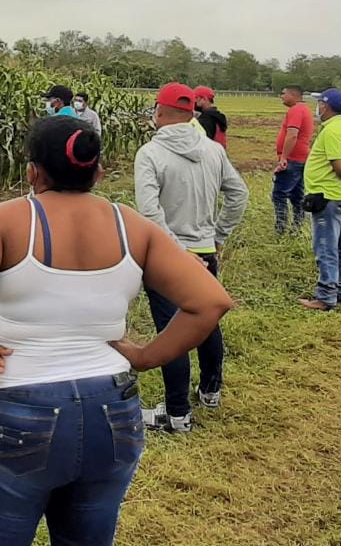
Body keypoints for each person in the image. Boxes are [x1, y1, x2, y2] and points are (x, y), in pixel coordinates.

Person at [0, 115, 233, 546]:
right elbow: (211, 302)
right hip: (114, 406)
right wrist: (144, 356)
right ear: (98, 170)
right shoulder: (132, 227)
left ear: (32, 171)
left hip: (19, 403)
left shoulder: (7, 221)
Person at [134, 83, 248, 429]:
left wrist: (175, 252)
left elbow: (149, 213)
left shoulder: (150, 153)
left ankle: (177, 414)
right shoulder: (213, 150)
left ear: (160, 111)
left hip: (167, 258)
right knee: (206, 321)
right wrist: (217, 236)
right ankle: (210, 391)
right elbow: (239, 194)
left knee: (172, 334)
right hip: (204, 252)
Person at [299, 89, 341, 311]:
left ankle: (326, 296)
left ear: (325, 106)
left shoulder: (332, 131)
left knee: (326, 247)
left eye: (319, 103)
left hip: (328, 197)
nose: (317, 107)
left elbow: (338, 165)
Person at [272, 85, 314, 233]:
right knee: (297, 195)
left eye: (283, 93)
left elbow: (292, 134)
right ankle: (298, 226)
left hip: (293, 159)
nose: (281, 96)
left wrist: (284, 157)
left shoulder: (296, 110)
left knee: (280, 194)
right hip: (301, 158)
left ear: (294, 95)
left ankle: (281, 229)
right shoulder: (305, 109)